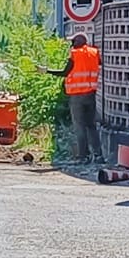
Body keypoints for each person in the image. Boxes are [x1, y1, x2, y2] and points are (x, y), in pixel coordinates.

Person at [47, 31, 104, 163]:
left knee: (79, 126)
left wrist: (47, 70)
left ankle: (83, 156)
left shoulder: (75, 54)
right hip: (91, 94)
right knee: (91, 126)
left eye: (73, 42)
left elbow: (65, 72)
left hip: (77, 96)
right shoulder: (94, 52)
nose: (72, 44)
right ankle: (98, 155)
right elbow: (98, 64)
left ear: (78, 42)